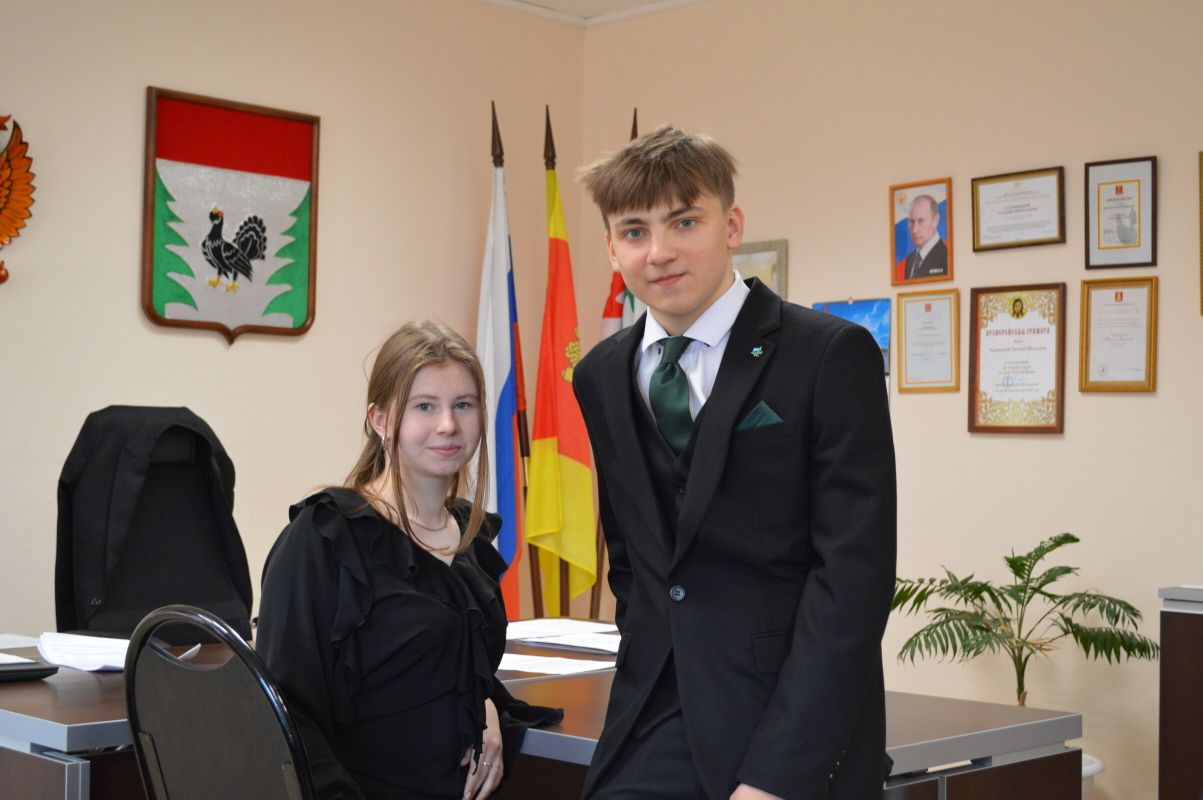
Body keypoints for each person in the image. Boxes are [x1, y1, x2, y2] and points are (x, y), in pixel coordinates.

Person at [574, 127, 896, 800]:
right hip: (649, 722)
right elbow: (632, 561)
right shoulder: (599, 374)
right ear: (610, 248)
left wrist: (780, 773)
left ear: (732, 225)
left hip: (785, 727)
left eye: (683, 222)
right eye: (633, 232)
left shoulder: (828, 355)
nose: (659, 252)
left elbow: (851, 580)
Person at [256, 321, 558, 800]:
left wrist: (487, 706)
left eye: (464, 405)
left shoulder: (470, 536)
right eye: (425, 406)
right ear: (380, 419)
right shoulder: (324, 538)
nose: (448, 425)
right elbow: (285, 711)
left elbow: (447, 665)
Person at [895, 194, 948, 281]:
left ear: (935, 220)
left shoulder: (946, 258)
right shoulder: (910, 260)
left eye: (921, 221)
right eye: (912, 221)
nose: (914, 230)